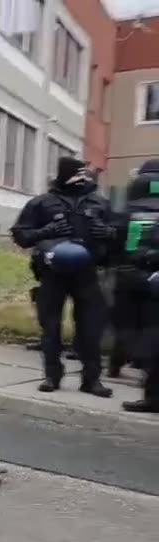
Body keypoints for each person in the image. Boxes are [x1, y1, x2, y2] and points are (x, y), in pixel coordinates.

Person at [11, 157, 114, 397]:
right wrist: (47, 231)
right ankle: (52, 376)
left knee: (91, 328)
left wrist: (108, 232)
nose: (82, 178)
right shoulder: (42, 203)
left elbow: (119, 236)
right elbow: (21, 235)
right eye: (77, 174)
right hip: (52, 274)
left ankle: (91, 379)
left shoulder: (100, 203)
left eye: (84, 174)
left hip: (87, 274)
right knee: (51, 327)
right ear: (65, 174)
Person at [116, 160, 159, 412]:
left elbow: (123, 241)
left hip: (136, 277)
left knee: (144, 336)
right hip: (147, 277)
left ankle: (152, 396)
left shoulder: (132, 206)